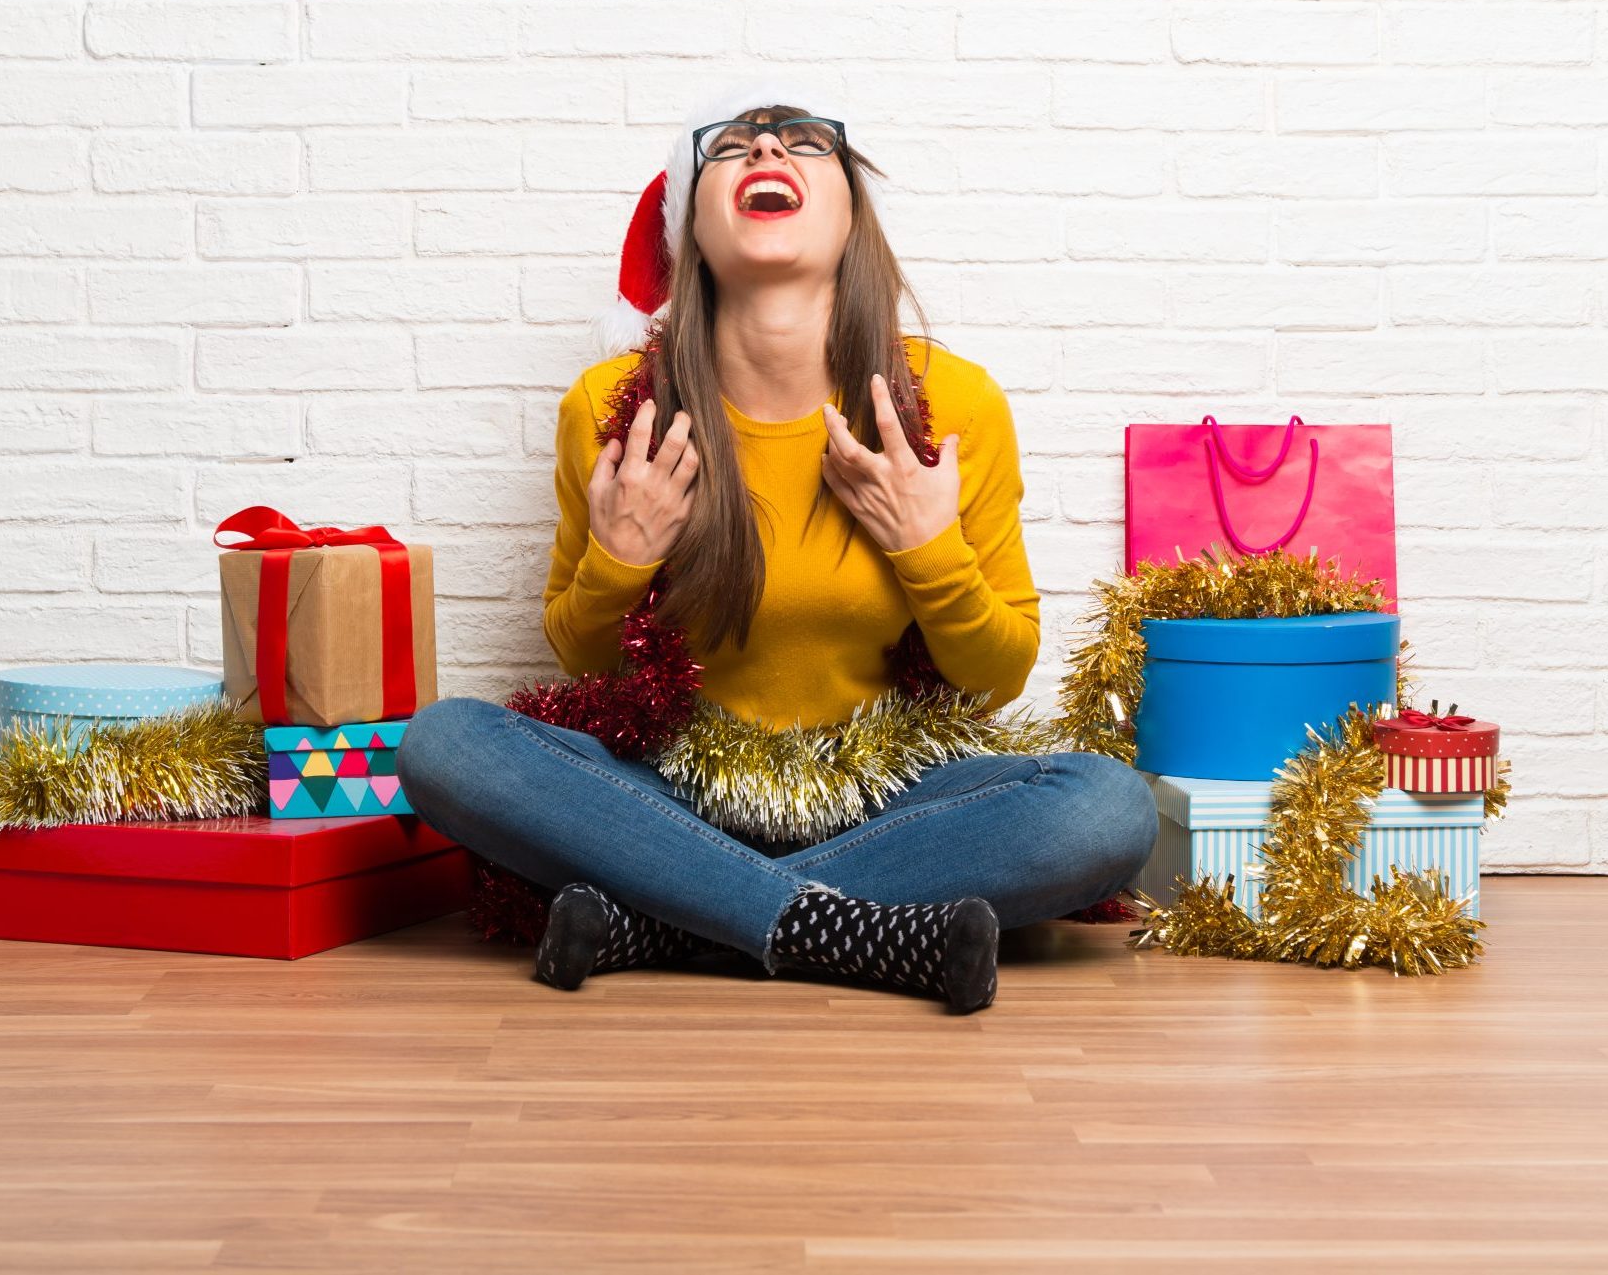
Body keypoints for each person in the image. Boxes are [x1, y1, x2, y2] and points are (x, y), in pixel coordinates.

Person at [396, 85, 1157, 1014]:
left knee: (1104, 806)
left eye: (805, 141)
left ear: (851, 213)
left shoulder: (955, 405)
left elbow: (995, 676)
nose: (767, 151)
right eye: (733, 145)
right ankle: (853, 930)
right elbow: (583, 658)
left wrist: (927, 549)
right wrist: (621, 556)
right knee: (446, 743)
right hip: (667, 791)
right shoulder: (609, 411)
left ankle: (664, 920)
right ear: (691, 229)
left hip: (884, 796)